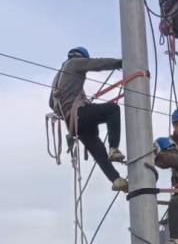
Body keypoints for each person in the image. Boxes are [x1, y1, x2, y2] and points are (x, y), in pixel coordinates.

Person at [49, 47, 129, 192]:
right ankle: (113, 148)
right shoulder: (75, 63)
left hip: (74, 126)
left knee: (98, 151)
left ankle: (116, 180)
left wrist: (67, 107)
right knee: (112, 110)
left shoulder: (57, 79)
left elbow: (51, 103)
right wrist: (120, 63)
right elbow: (97, 64)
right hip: (80, 114)